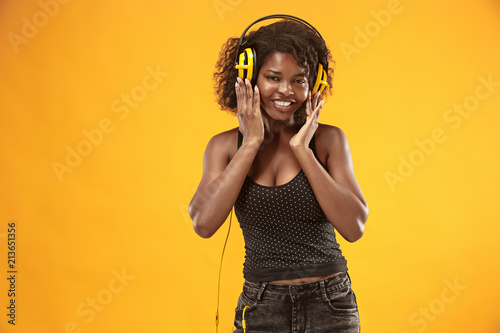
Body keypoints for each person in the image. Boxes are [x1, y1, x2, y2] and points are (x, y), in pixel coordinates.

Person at [189, 15, 369, 333]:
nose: (285, 91)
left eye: (299, 80)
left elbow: (354, 227)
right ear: (248, 77)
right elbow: (203, 223)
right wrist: (251, 144)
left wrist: (304, 149)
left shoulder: (329, 140)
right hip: (261, 305)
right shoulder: (225, 147)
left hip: (329, 302)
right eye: (273, 77)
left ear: (314, 84)